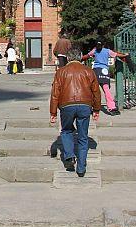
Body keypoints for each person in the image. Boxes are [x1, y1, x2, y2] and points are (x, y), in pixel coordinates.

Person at [50, 48, 101, 177]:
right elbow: (96, 92)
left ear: (67, 58)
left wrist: (53, 112)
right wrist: (96, 109)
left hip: (66, 105)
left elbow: (55, 93)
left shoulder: (61, 72)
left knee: (66, 131)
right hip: (85, 105)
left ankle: (70, 155)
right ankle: (81, 168)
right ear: (80, 57)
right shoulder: (89, 71)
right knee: (83, 137)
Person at [82, 40, 128, 115]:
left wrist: (80, 59)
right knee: (106, 90)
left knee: (93, 90)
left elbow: (86, 56)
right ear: (103, 45)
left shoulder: (95, 50)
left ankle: (89, 107)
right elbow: (117, 55)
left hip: (96, 71)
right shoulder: (107, 51)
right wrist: (125, 55)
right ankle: (112, 108)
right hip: (104, 71)